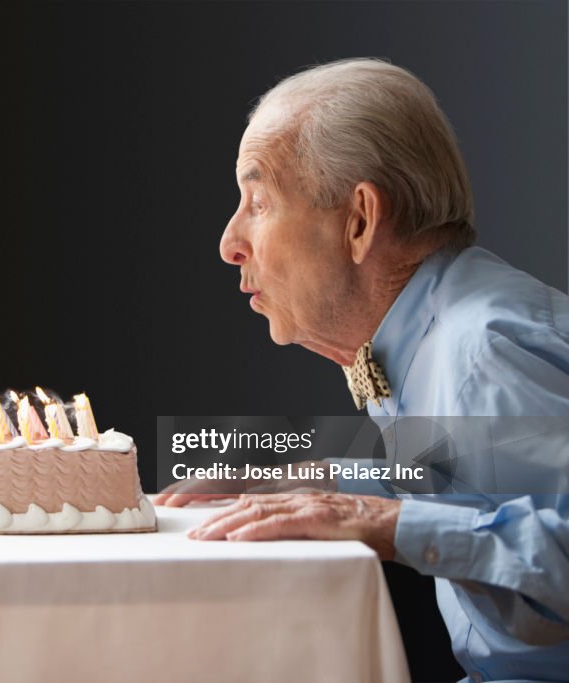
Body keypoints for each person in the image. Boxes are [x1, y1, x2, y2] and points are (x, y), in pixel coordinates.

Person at [153, 58, 569, 681]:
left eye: (259, 202)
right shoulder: (439, 329)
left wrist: (382, 521)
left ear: (359, 221)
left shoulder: (483, 346)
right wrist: (326, 481)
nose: (229, 243)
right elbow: (473, 485)